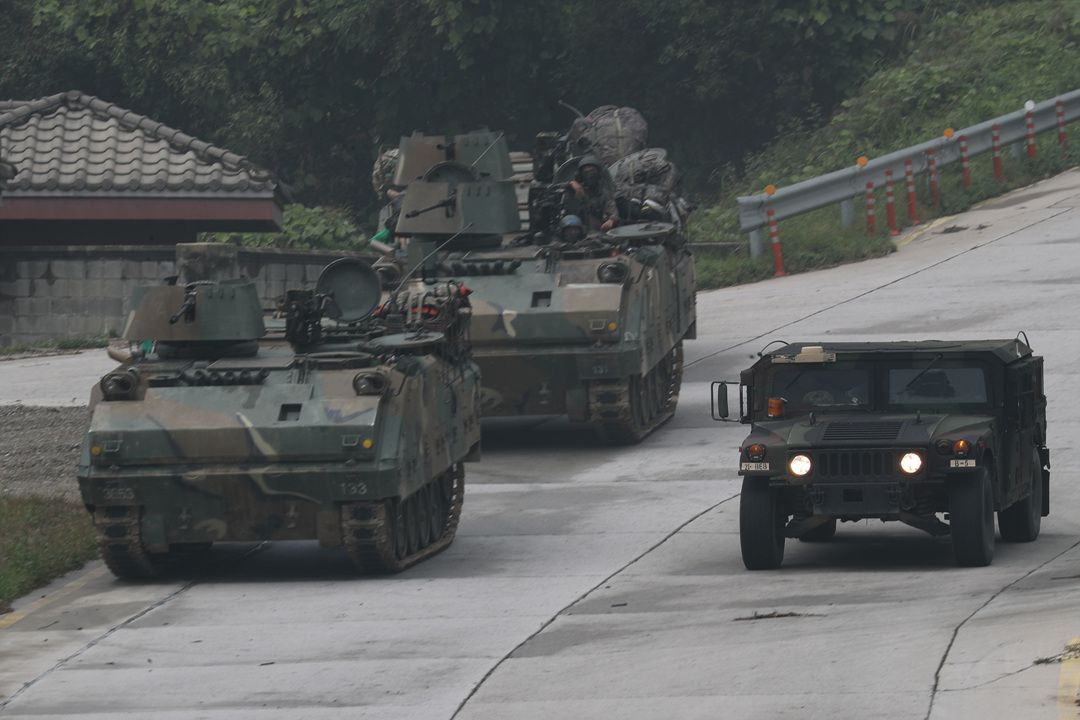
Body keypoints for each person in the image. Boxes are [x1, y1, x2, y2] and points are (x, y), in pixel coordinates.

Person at [567, 155, 617, 231]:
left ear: (599, 173)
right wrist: (571, 184)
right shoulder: (573, 190)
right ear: (581, 175)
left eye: (592, 171)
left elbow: (612, 209)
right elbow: (558, 189)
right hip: (573, 230)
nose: (590, 175)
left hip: (596, 230)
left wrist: (611, 220)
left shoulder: (604, 193)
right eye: (586, 172)